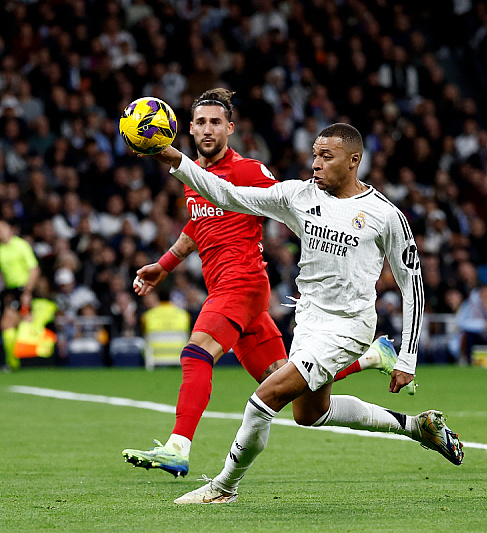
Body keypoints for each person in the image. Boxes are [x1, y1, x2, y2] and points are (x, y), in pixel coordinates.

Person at [147, 122, 463, 504]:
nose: (315, 164)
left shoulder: (385, 215)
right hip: (310, 320)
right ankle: (417, 427)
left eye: (326, 157)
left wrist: (409, 357)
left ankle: (222, 487)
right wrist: (176, 159)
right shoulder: (298, 196)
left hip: (349, 327)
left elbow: (413, 285)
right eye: (314, 154)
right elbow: (227, 195)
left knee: (266, 396)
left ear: (353, 161)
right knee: (309, 413)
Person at [122, 90, 403, 478]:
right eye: (201, 122)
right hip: (226, 285)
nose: (208, 129)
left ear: (230, 129)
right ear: (186, 128)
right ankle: (372, 357)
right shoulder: (197, 178)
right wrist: (165, 265)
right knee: (284, 379)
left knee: (196, 353)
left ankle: (178, 447)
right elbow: (198, 222)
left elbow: (271, 202)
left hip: (242, 282)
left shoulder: (248, 170)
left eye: (216, 123)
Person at [0, 219, 40, 370]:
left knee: (13, 323)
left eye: (1, 228)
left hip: (24, 289)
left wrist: (27, 292)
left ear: (10, 229)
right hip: (11, 292)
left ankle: (16, 362)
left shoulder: (21, 245)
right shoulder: (1, 249)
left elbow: (34, 270)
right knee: (10, 325)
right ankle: (14, 362)